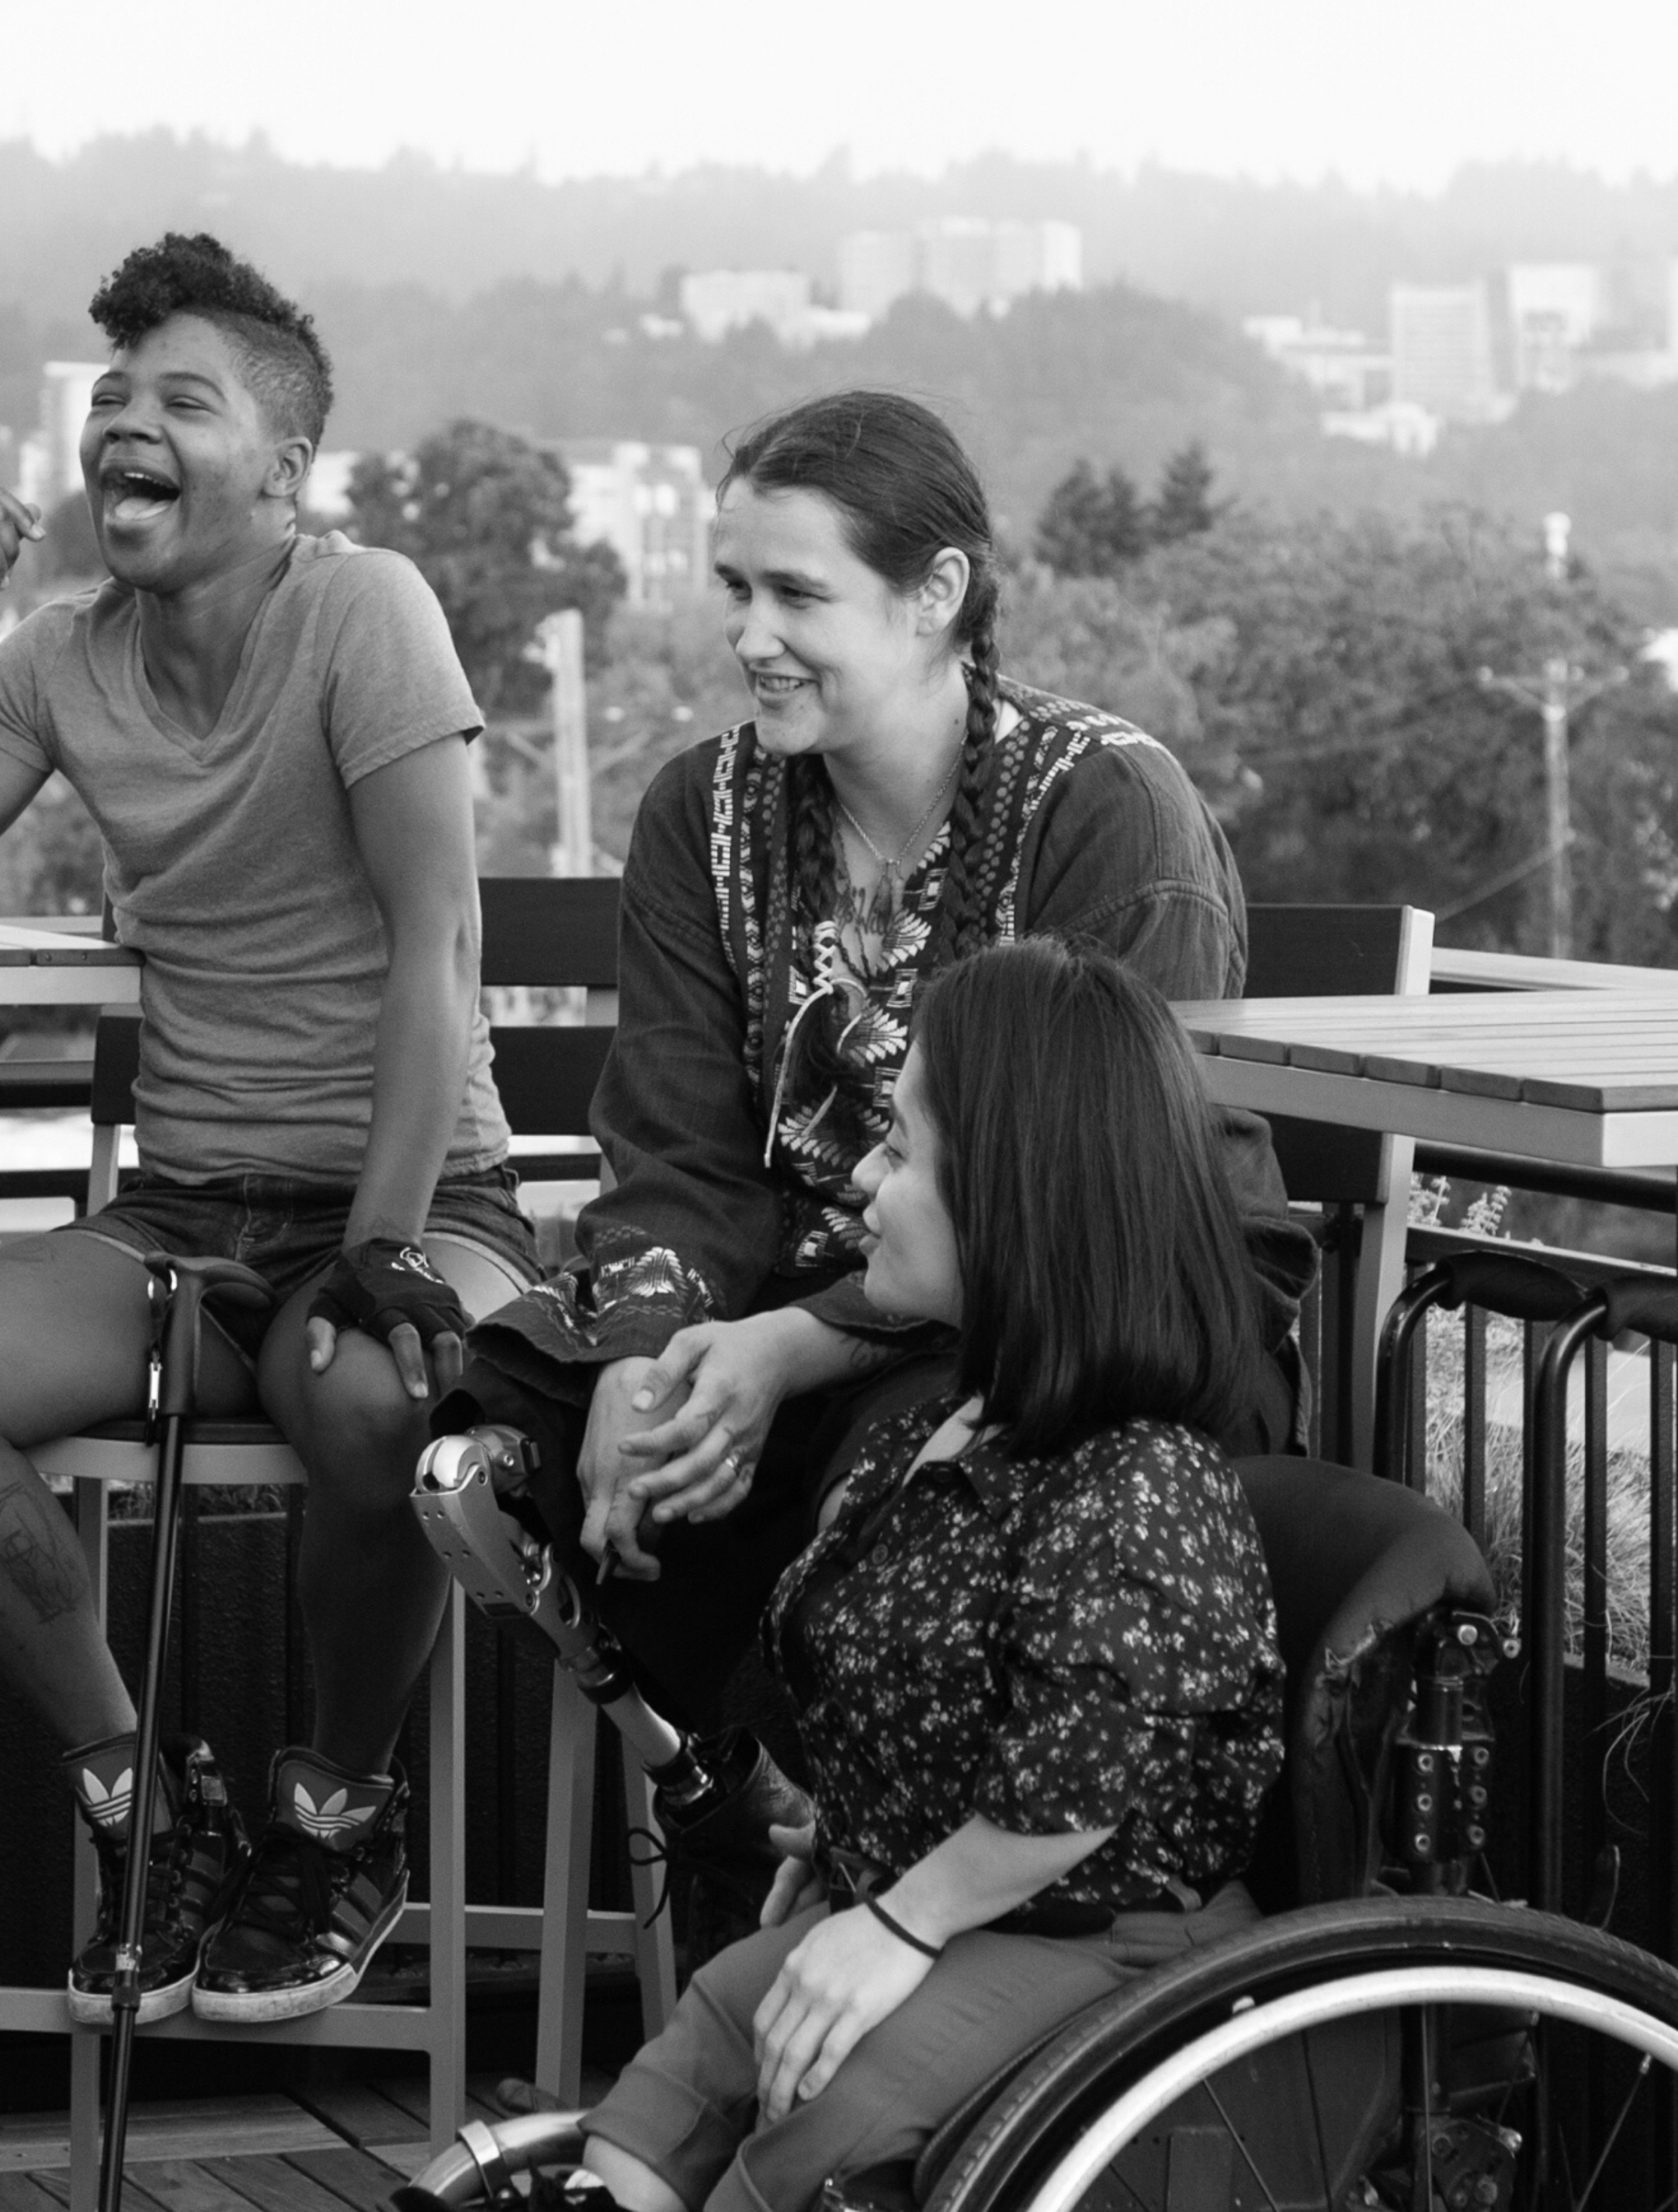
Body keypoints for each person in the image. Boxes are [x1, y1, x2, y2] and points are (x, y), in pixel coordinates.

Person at [0, 232, 540, 2026]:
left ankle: (336, 1813)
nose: (126, 423)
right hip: (189, 1217)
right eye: (111, 399)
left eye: (179, 401)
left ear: (281, 468)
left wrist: (377, 1244)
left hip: (421, 1188)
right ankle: (149, 1810)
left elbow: (439, 956)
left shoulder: (362, 612)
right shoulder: (60, 659)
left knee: (370, 1390)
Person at [447, 390, 1311, 1771]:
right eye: (734, 589)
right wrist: (640, 1360)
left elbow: (1092, 1212)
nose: (747, 637)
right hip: (788, 1302)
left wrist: (780, 1351)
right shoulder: (699, 811)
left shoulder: (1103, 809)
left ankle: (827, 1832)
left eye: (795, 592)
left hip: (1090, 1321)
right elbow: (677, 1154)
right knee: (533, 1416)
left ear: (936, 595)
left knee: (906, 1456)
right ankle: (727, 1793)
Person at [525, 938, 1285, 2211]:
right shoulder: (940, 1424)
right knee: (691, 2057)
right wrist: (857, 1841)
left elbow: (1077, 1780)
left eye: (899, 1150)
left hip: (1116, 1933)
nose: (863, 1183)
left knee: (818, 2118)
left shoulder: (1141, 1482)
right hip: (972, 1896)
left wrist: (898, 1918)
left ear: (1012, 1196)